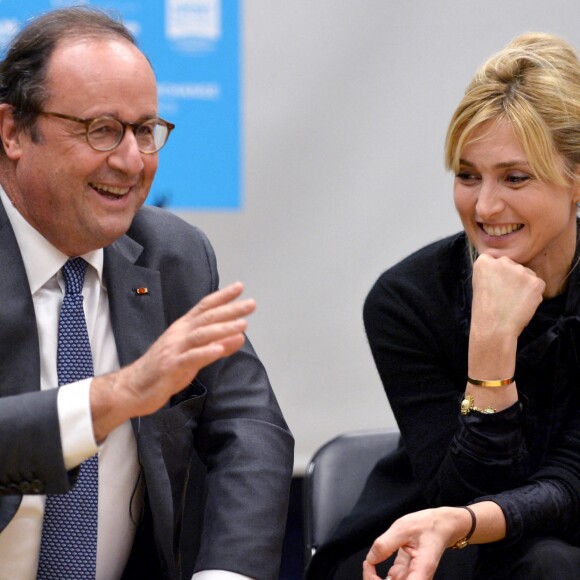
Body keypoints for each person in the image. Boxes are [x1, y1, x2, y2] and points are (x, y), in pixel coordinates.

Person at [0, 6, 293, 580]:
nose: (132, 161)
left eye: (144, 130)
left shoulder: (172, 255)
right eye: (101, 130)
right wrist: (117, 395)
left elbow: (250, 427)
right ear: (12, 131)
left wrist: (225, 575)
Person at [308, 32, 580, 580]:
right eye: (467, 175)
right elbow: (455, 498)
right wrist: (490, 354)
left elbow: (572, 478)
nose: (484, 206)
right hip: (430, 531)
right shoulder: (407, 299)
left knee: (551, 563)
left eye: (515, 177)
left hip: (560, 537)